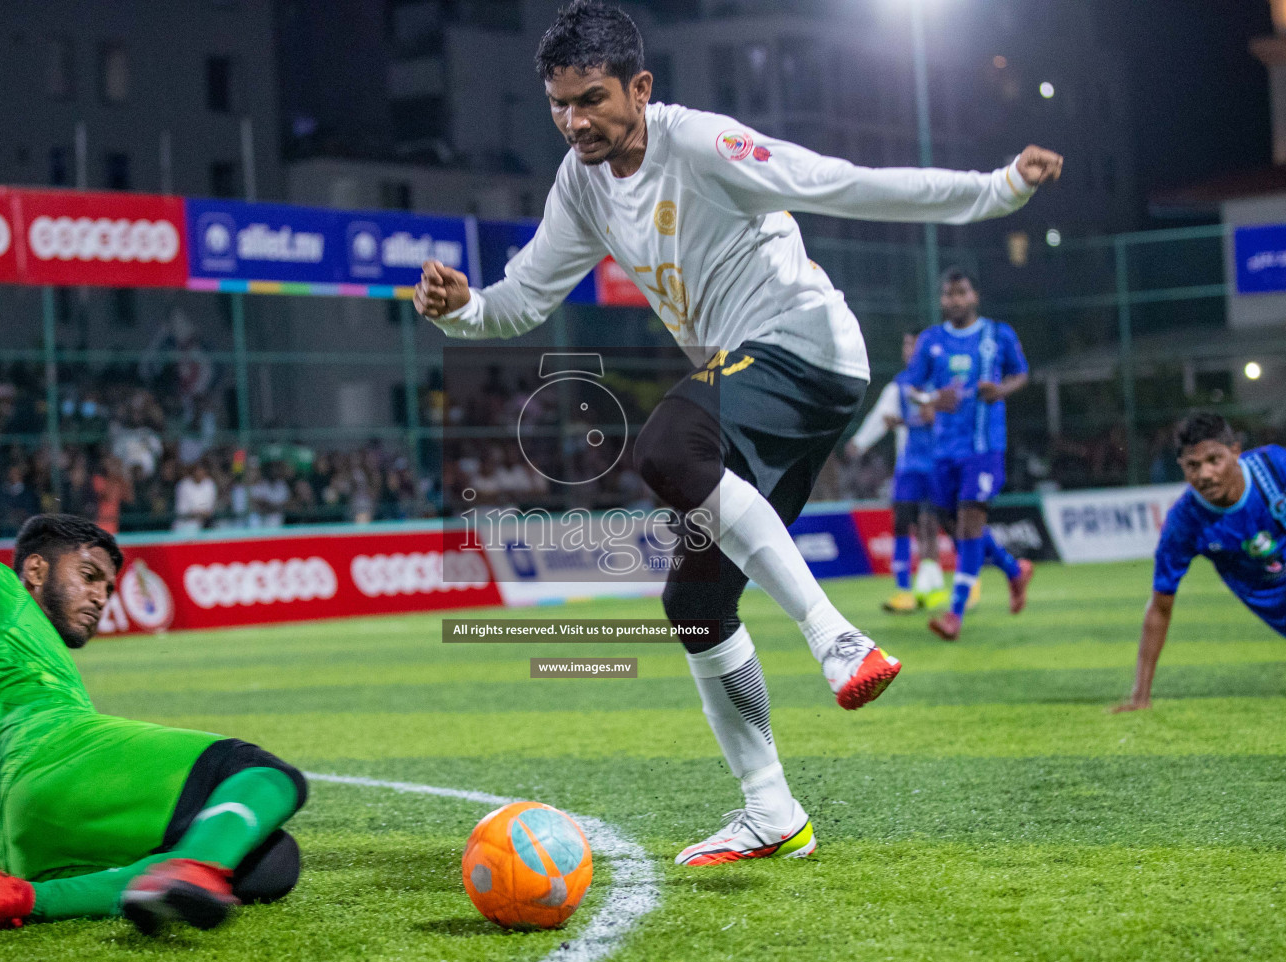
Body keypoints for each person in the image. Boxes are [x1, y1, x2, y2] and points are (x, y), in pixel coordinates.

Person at [414, 1, 1061, 865]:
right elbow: (524, 296)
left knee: (667, 447)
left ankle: (837, 636)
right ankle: (773, 814)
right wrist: (463, 311)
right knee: (697, 604)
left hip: (806, 345)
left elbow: (842, 181)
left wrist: (997, 190)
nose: (576, 122)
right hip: (754, 378)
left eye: (593, 99)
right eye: (560, 105)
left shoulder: (701, 143)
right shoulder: (580, 182)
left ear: (641, 88)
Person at [0, 423, 308, 939]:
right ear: (34, 569)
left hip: (25, 844)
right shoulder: (0, 596)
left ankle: (13, 896)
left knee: (271, 862)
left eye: (109, 588)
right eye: (89, 575)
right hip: (60, 761)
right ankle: (176, 871)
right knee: (263, 775)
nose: (100, 597)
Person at [1115, 413, 1286, 712]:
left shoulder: (1274, 464)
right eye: (1193, 466)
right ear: (1182, 467)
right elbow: (1160, 606)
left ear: (1235, 451)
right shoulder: (1183, 523)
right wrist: (1140, 694)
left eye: (1214, 460)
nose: (1205, 474)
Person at [901, 268, 1034, 641]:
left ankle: (954, 615)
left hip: (984, 447)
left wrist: (1002, 390)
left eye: (961, 293)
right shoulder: (931, 341)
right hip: (943, 450)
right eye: (948, 294)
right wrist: (930, 399)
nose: (954, 300)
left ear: (974, 296)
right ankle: (1013, 570)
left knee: (971, 522)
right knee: (955, 526)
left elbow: (1021, 373)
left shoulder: (997, 334)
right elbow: (911, 386)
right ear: (942, 299)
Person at [846, 328, 950, 613]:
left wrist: (927, 417)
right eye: (906, 345)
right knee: (903, 523)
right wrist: (860, 442)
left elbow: (954, 416)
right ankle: (904, 589)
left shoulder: (940, 383)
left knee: (933, 526)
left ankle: (935, 586)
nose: (909, 351)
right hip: (908, 465)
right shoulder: (900, 385)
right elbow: (881, 417)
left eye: (914, 345)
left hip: (939, 464)